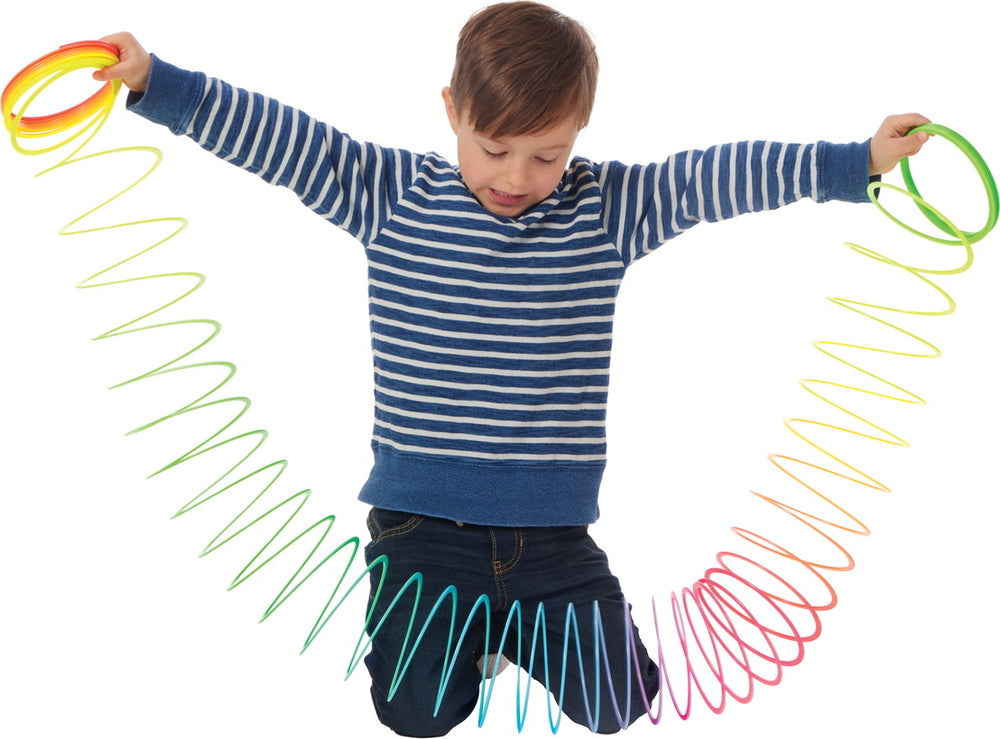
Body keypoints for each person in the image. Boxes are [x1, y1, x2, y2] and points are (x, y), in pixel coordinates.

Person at [93, 2, 929, 735]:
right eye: (494, 148)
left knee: (621, 703)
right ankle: (475, 640)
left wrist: (856, 161)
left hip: (553, 540)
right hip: (421, 530)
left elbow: (717, 177)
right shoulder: (390, 194)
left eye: (547, 155)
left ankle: (518, 629)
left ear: (579, 136)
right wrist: (156, 81)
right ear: (452, 112)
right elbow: (284, 140)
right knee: (415, 717)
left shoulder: (605, 209)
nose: (517, 177)